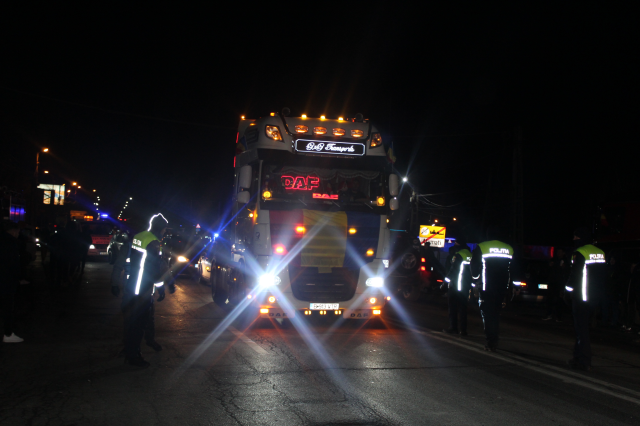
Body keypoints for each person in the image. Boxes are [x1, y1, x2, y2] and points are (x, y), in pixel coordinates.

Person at [122, 213, 173, 367]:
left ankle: (129, 350)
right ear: (160, 228)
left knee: (132, 322)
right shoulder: (153, 243)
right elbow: (154, 269)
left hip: (132, 285)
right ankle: (133, 356)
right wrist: (161, 288)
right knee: (139, 324)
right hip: (143, 288)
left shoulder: (139, 236)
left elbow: (130, 259)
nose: (164, 233)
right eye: (164, 230)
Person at [565, 227, 606, 371]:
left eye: (575, 237)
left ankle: (584, 360)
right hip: (595, 296)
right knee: (582, 328)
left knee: (581, 330)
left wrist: (567, 291)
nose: (574, 240)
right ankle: (577, 357)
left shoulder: (579, 253)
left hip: (581, 297)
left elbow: (575, 275)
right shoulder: (600, 252)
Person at [470, 228, 514, 352]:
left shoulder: (482, 246)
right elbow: (513, 268)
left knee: (487, 315)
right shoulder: (509, 248)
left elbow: (474, 265)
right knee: (496, 314)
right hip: (501, 288)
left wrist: (475, 279)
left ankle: (491, 342)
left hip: (486, 287)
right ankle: (494, 340)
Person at [443, 238, 472, 336]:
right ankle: (463, 330)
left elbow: (453, 269)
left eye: (455, 243)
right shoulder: (469, 254)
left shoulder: (458, 255)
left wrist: (445, 280)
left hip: (456, 286)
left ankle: (453, 327)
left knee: (452, 307)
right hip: (465, 286)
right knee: (463, 309)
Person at [1, 221, 24, 343]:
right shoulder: (11, 243)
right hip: (6, 280)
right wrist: (18, 279)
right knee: (8, 308)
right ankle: (8, 334)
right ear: (14, 231)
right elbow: (13, 264)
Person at [543, 248, 569, 322]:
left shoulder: (565, 261)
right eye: (558, 252)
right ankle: (549, 314)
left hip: (560, 283)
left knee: (559, 301)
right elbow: (548, 269)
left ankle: (558, 317)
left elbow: (566, 272)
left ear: (563, 253)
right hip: (552, 282)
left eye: (560, 252)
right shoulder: (554, 259)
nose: (558, 253)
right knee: (549, 300)